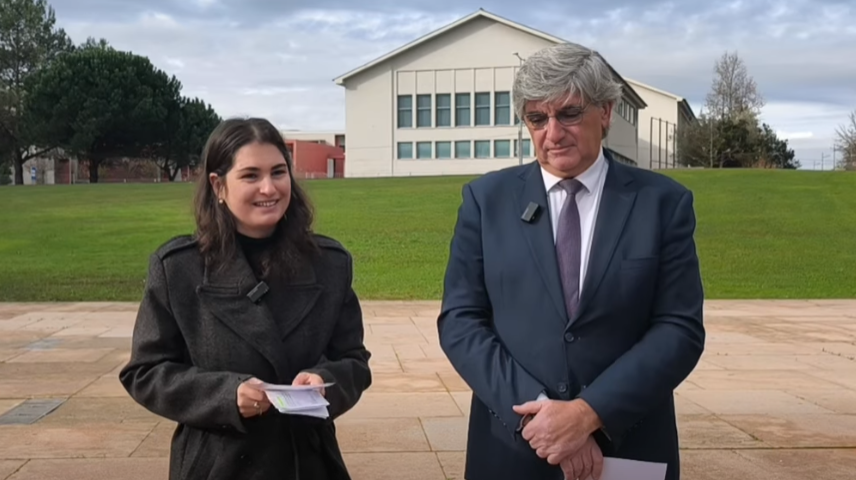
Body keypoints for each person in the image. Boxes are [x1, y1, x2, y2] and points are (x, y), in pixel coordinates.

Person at [437, 43, 705, 480]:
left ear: (606, 112)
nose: (553, 133)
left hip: (627, 448)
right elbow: (461, 322)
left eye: (569, 114)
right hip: (513, 450)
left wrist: (589, 414)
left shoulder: (663, 204)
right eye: (537, 119)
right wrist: (539, 417)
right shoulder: (485, 202)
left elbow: (679, 328)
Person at [119, 117, 372, 480]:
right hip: (216, 464)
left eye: (278, 172)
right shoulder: (178, 269)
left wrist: (324, 381)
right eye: (251, 175)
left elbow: (354, 361)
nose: (269, 188)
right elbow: (145, 372)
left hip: (309, 464)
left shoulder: (329, 264)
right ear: (218, 185)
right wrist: (225, 395)